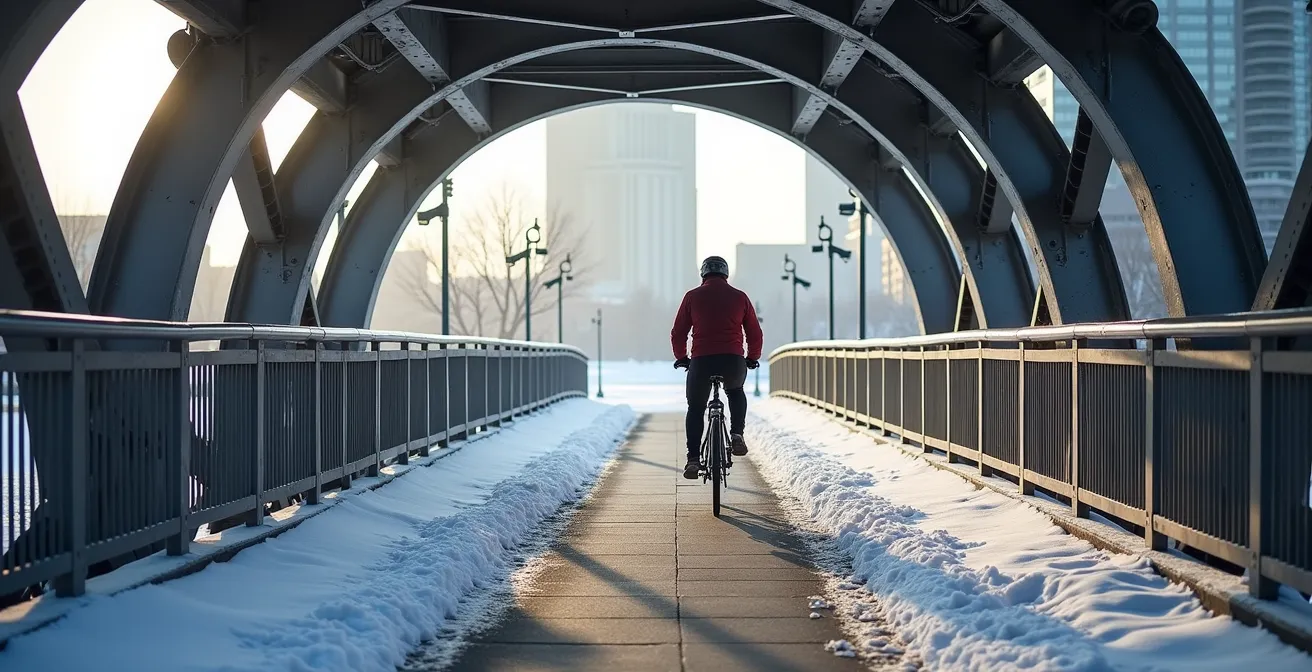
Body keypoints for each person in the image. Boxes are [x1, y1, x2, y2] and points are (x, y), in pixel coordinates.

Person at [671, 255, 763, 480]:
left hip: (702, 361)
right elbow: (755, 333)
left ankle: (693, 459)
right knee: (735, 391)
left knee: (695, 408)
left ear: (703, 274)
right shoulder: (740, 297)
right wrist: (751, 358)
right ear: (726, 273)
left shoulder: (692, 297)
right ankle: (737, 434)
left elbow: (678, 333)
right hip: (733, 360)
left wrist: (682, 357)